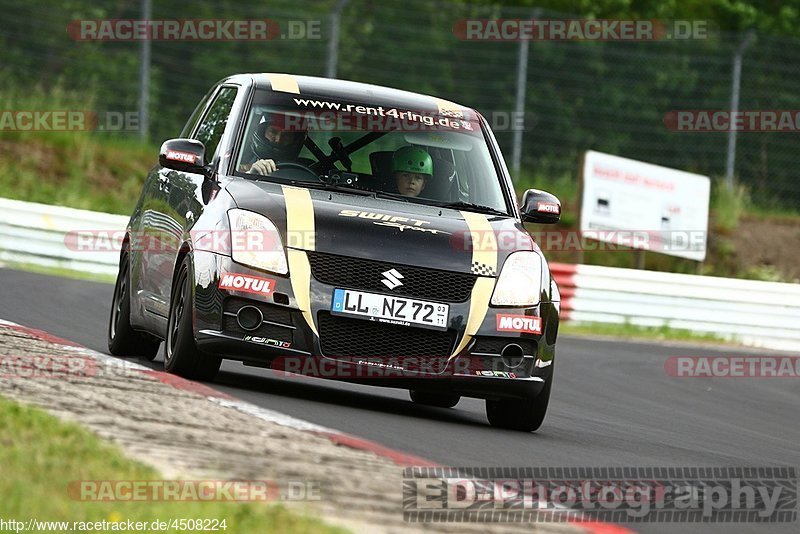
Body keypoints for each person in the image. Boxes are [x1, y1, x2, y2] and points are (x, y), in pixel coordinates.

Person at [241, 112, 307, 175]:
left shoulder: (306, 170)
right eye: (273, 132)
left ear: (295, 139)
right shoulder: (238, 164)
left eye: (287, 135)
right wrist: (251, 174)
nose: (278, 140)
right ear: (262, 132)